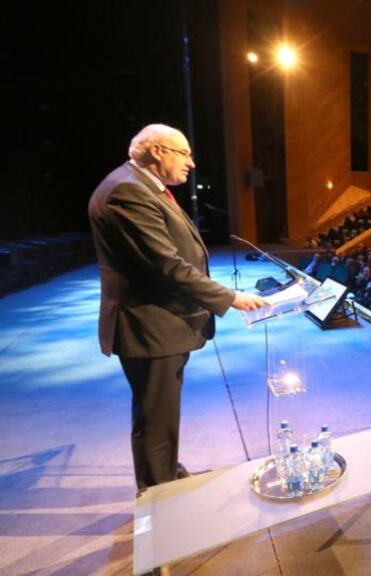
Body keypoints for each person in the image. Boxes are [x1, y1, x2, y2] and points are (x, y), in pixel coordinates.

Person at [89, 124, 268, 491]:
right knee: (156, 418)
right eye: (183, 153)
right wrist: (229, 297)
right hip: (149, 324)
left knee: (158, 415)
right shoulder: (128, 191)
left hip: (156, 322)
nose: (191, 162)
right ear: (157, 151)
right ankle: (160, 498)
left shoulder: (138, 186)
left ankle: (164, 476)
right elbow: (166, 265)